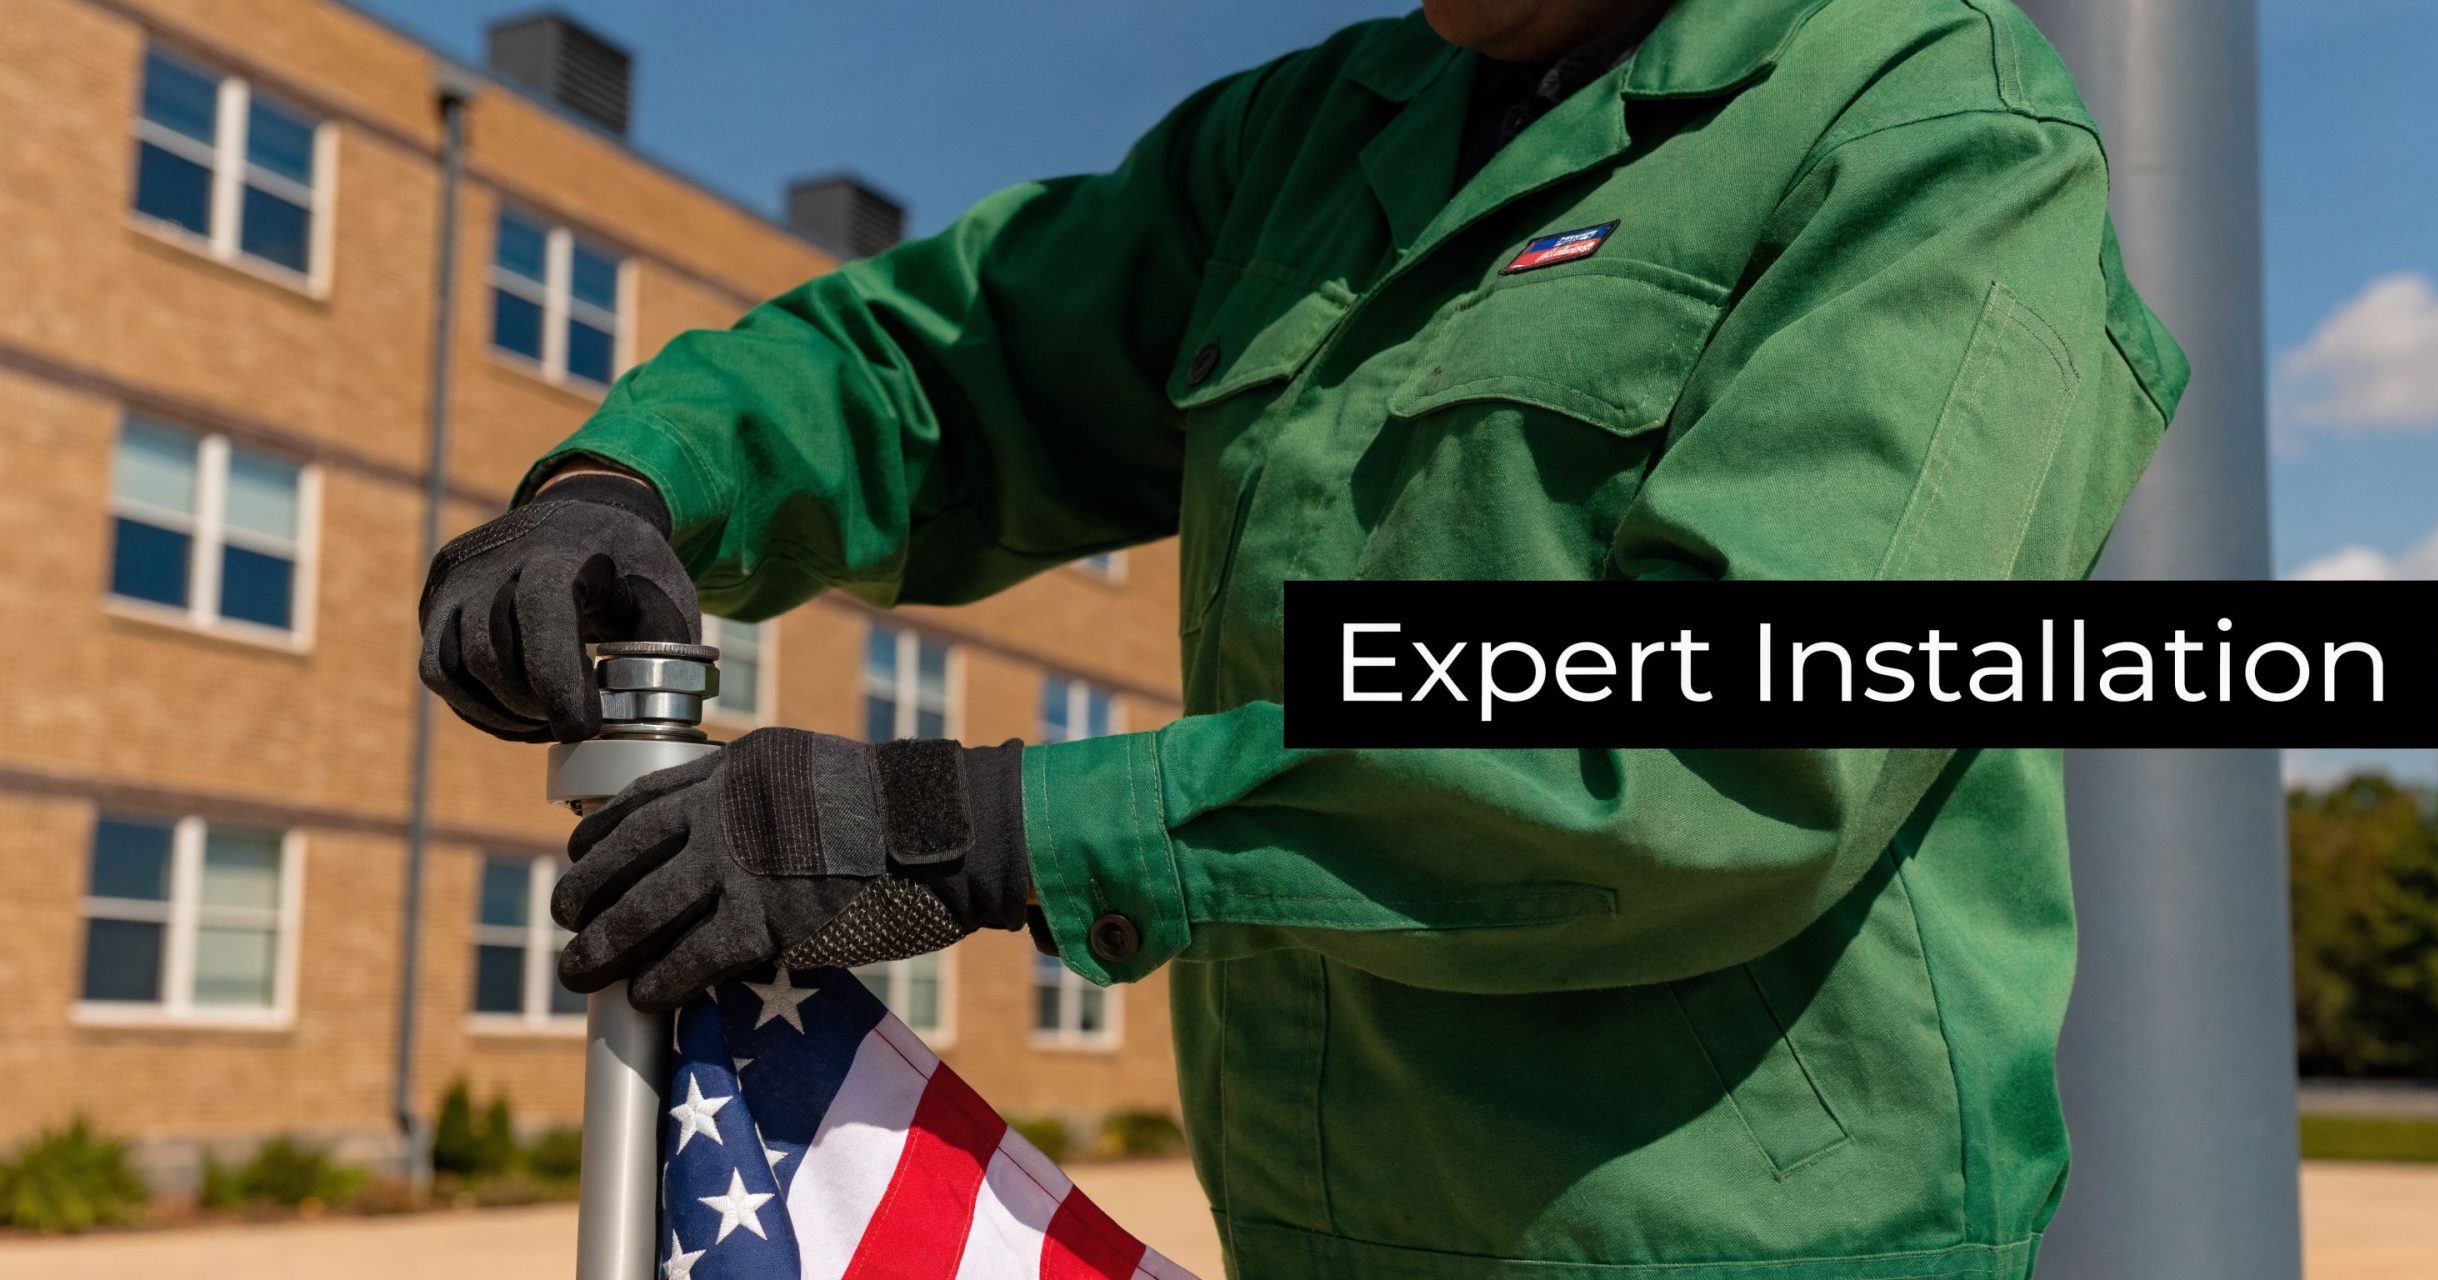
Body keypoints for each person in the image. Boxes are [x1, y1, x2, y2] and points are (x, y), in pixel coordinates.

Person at [416, 0, 2187, 1274]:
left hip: (1744, 1249)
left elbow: (1737, 731)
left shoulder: (1932, 124)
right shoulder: (1314, 143)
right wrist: (630, 481)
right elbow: (946, 366)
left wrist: (983, 827)